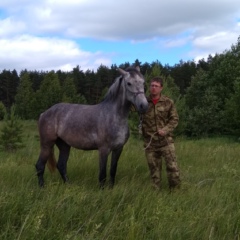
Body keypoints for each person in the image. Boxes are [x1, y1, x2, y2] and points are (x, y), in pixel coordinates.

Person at [141, 76, 181, 190]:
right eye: (152, 85)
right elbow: (130, 107)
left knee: (173, 169)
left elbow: (174, 119)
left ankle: (175, 193)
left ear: (161, 88)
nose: (153, 88)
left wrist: (166, 130)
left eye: (156, 86)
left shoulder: (168, 102)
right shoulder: (144, 102)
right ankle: (155, 195)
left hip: (166, 142)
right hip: (150, 143)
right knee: (154, 171)